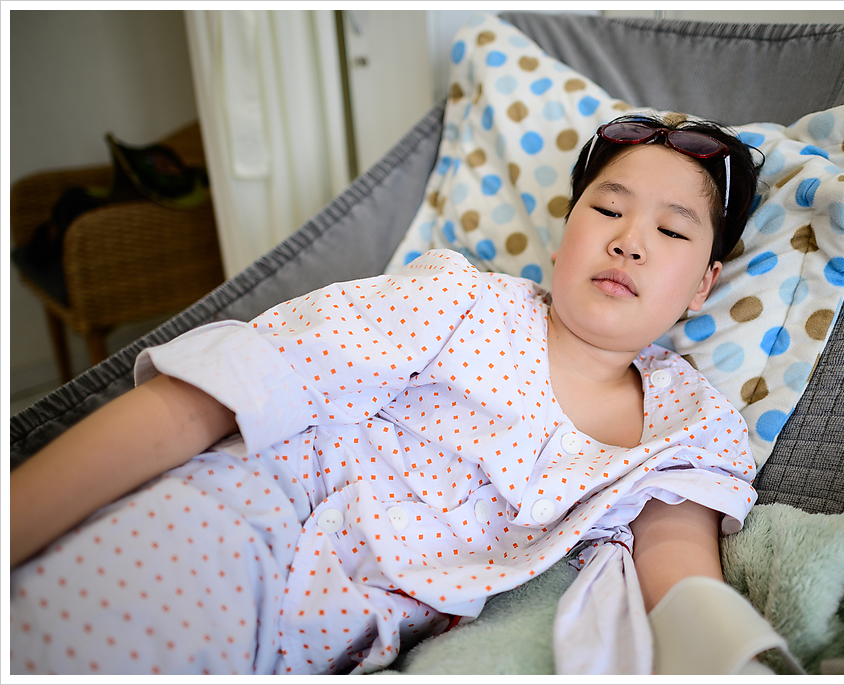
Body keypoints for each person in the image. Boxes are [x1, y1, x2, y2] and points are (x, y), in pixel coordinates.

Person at [10, 113, 771, 675]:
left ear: (704, 284)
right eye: (606, 208)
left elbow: (681, 574)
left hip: (334, 641)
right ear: (565, 231)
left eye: (673, 232)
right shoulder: (462, 304)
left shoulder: (687, 419)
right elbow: (227, 388)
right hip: (252, 523)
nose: (628, 239)